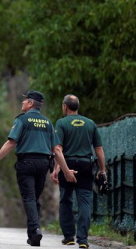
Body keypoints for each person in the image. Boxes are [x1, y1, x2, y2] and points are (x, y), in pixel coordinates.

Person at [0, 90, 77, 247]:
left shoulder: (22, 120)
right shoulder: (47, 123)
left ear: (31, 103)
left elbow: (11, 143)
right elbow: (57, 150)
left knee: (29, 198)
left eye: (24, 101)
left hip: (26, 163)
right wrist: (65, 171)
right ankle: (33, 236)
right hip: (43, 164)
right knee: (34, 199)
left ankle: (36, 229)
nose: (22, 102)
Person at [50, 94, 106, 248]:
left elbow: (58, 149)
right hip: (85, 165)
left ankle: (68, 236)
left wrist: (59, 169)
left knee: (65, 200)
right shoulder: (90, 123)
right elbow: (99, 149)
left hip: (67, 163)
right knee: (85, 202)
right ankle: (83, 240)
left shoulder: (61, 123)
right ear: (77, 107)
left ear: (65, 106)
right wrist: (103, 170)